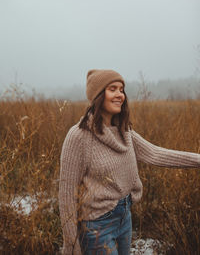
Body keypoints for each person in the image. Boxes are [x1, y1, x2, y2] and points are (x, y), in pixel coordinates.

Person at [59, 69, 200, 255]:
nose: (120, 95)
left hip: (125, 217)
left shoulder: (124, 130)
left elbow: (155, 153)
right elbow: (67, 195)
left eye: (122, 89)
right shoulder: (79, 136)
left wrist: (197, 159)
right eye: (113, 89)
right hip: (97, 225)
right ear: (98, 95)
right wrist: (71, 245)